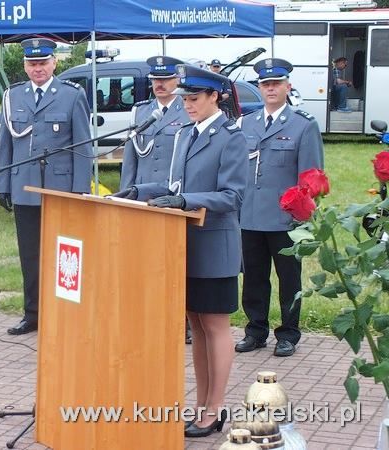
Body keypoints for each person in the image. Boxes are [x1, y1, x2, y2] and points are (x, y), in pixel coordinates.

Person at [114, 64, 247, 438]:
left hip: (215, 245)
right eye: (184, 99)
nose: (186, 105)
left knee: (215, 326)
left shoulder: (230, 137)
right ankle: (203, 404)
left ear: (213, 97)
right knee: (197, 326)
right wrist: (140, 190)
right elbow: (173, 183)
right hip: (183, 246)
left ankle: (214, 409)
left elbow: (232, 195)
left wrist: (184, 199)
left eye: (192, 99)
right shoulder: (186, 134)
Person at [0, 38, 93, 335]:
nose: (37, 68)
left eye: (43, 63)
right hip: (24, 185)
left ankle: (64, 313)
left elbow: (83, 146)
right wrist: (4, 183)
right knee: (30, 254)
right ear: (25, 66)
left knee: (65, 254)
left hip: (61, 188)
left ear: (54, 63)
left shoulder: (71, 95)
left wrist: (79, 189)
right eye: (32, 64)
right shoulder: (13, 95)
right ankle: (33, 313)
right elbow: (6, 143)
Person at [235, 58, 324, 358]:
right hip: (250, 215)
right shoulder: (246, 123)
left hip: (286, 219)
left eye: (276, 83)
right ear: (259, 88)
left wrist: (303, 217)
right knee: (254, 278)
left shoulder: (303, 124)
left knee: (289, 279)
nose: (271, 88)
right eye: (265, 84)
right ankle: (255, 330)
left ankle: (288, 334)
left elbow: (311, 178)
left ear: (288, 86)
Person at [120, 55, 193, 344]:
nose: (160, 85)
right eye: (155, 81)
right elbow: (131, 157)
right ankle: (148, 315)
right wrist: (126, 193)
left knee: (175, 263)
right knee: (144, 261)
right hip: (141, 196)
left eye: (165, 80)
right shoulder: (141, 112)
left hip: (172, 197)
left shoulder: (187, 110)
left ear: (177, 81)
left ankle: (182, 320)